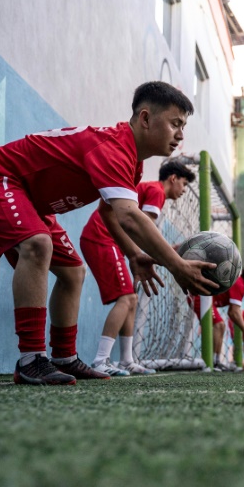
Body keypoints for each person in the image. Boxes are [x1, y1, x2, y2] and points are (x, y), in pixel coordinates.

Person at [0, 81, 218, 385]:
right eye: (175, 123)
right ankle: (30, 359)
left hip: (31, 199)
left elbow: (108, 212)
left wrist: (135, 254)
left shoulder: (131, 162)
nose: (180, 135)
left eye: (183, 126)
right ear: (146, 118)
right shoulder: (112, 148)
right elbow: (130, 217)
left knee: (73, 271)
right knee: (39, 244)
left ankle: (64, 358)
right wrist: (177, 265)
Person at [81, 159, 194, 376]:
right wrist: (168, 254)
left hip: (109, 241)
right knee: (127, 298)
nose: (183, 191)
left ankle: (126, 360)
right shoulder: (156, 191)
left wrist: (167, 248)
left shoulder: (151, 190)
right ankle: (101, 359)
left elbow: (142, 235)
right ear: (173, 178)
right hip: (102, 238)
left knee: (131, 298)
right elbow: (144, 230)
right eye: (184, 184)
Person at [192, 263, 244, 371]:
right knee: (219, 325)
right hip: (201, 298)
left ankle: (216, 362)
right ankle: (211, 363)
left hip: (207, 300)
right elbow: (234, 312)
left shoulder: (238, 283)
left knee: (221, 326)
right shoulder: (238, 284)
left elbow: (232, 312)